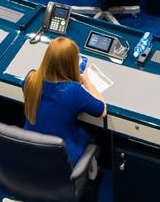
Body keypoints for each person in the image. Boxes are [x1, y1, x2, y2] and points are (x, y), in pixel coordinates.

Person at [22, 36, 107, 166]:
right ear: (71, 64)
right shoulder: (73, 90)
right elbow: (102, 110)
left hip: (30, 149)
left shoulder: (30, 79)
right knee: (93, 135)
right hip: (62, 158)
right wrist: (87, 81)